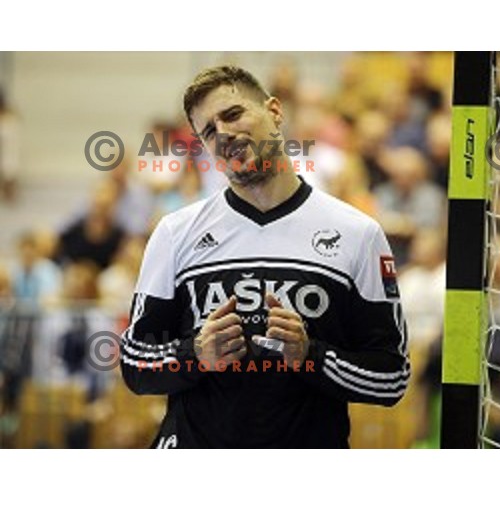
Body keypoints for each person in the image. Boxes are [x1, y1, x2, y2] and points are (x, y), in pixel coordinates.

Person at [119, 65, 410, 449]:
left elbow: (390, 377)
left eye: (233, 114)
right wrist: (195, 355)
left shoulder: (358, 233)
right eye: (208, 131)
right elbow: (136, 365)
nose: (223, 133)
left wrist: (310, 356)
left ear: (274, 111)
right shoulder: (176, 232)